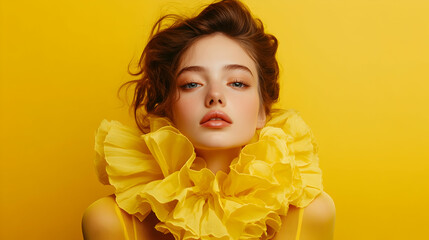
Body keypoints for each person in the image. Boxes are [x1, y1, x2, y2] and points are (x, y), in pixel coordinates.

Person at [81, 0, 335, 239]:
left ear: (262, 111)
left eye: (237, 82)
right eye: (192, 83)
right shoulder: (109, 221)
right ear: (168, 108)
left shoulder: (312, 214)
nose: (215, 96)